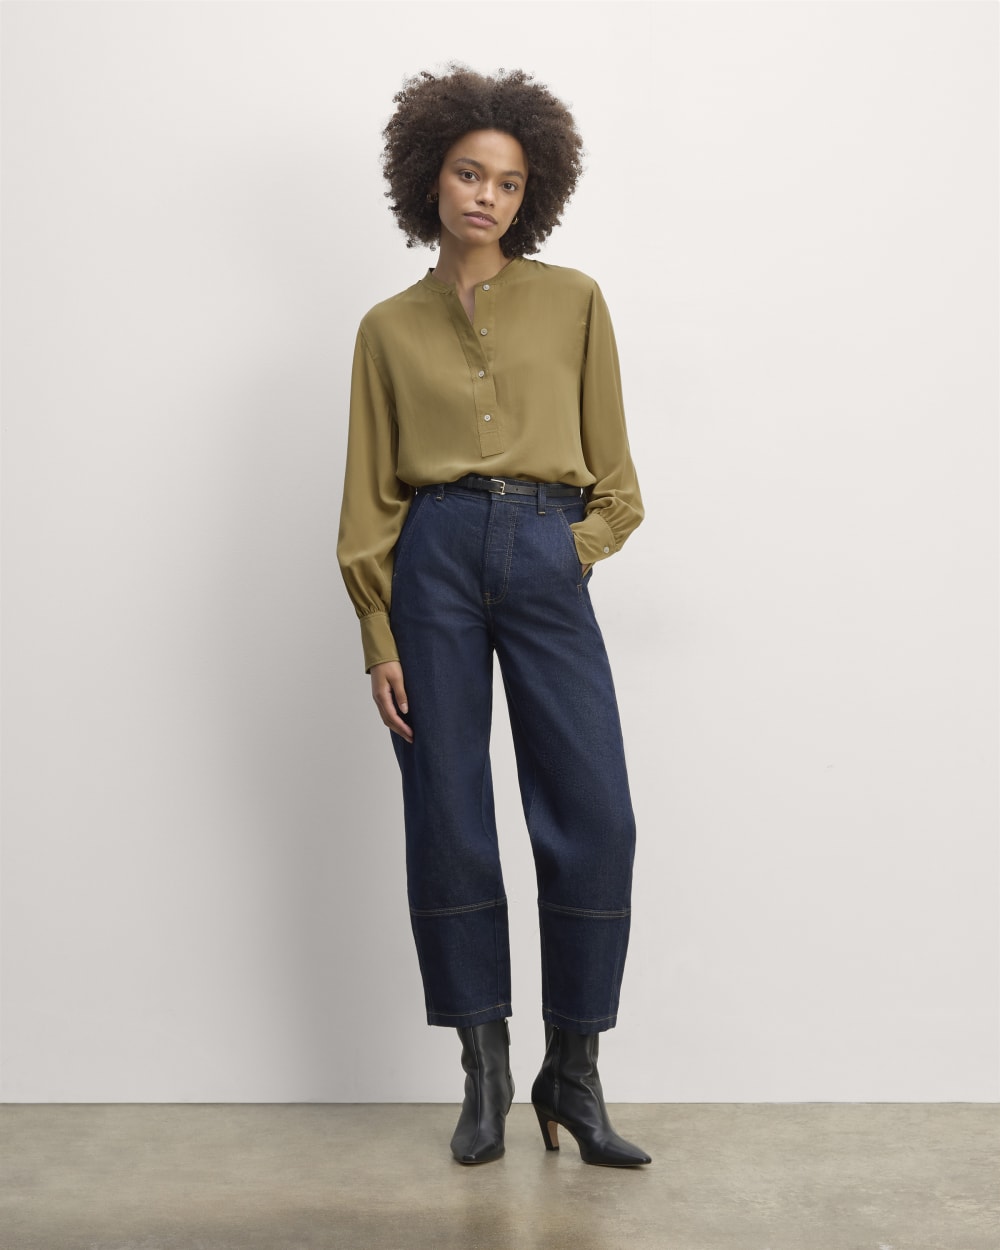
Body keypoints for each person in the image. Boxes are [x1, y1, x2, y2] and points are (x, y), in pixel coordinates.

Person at [337, 65, 650, 1168]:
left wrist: (571, 551)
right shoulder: (385, 328)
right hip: (429, 558)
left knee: (595, 812)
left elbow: (619, 483)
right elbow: (370, 495)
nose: (487, 197)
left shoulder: (574, 302)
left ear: (533, 194)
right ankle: (484, 1068)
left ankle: (575, 1072)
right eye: (470, 174)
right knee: (449, 808)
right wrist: (378, 632)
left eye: (509, 183)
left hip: (545, 547)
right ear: (430, 177)